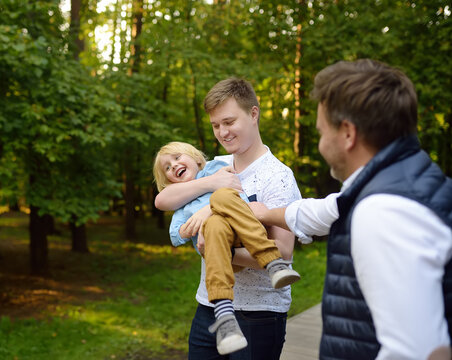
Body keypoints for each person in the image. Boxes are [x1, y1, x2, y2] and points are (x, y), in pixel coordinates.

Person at [249, 59, 452, 360]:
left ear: (347, 133)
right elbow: (324, 211)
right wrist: (265, 213)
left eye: (321, 132)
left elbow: (418, 352)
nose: (319, 145)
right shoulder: (406, 179)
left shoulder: (383, 211)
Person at [155, 78, 302, 359]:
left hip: (258, 314)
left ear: (254, 114)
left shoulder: (278, 176)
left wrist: (218, 249)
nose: (222, 132)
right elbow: (164, 199)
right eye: (215, 125)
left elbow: (284, 251)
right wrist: (208, 193)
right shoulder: (214, 168)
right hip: (210, 305)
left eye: (229, 121)